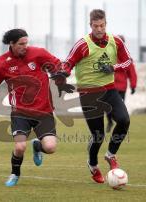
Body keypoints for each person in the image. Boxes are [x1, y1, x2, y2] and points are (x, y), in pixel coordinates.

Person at [0, 28, 74, 187]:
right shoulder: (2, 64)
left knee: (50, 148)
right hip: (20, 112)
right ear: (12, 44)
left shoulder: (38, 54)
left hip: (44, 111)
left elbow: (57, 64)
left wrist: (62, 73)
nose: (25, 46)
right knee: (20, 146)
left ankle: (37, 145)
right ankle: (15, 174)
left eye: (26, 43)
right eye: (21, 44)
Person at [53, 9, 131, 184]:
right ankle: (93, 165)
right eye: (96, 26)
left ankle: (111, 155)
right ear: (91, 25)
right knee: (98, 135)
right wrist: (63, 73)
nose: (99, 29)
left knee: (124, 120)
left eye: (102, 25)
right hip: (89, 94)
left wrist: (113, 68)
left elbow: (128, 61)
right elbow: (68, 62)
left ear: (106, 24)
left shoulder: (115, 41)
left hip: (110, 91)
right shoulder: (82, 44)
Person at [106, 35, 137, 133]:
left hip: (122, 87)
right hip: (110, 86)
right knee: (108, 107)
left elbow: (132, 73)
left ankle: (118, 122)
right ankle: (110, 121)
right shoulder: (109, 56)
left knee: (119, 107)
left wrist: (133, 85)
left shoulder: (127, 59)